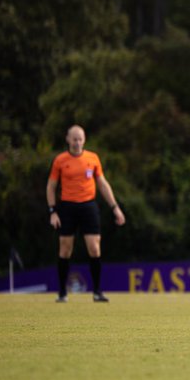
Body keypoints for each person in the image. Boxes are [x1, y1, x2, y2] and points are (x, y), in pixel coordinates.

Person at [46, 126, 125, 302]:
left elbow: (102, 184)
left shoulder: (93, 158)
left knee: (95, 247)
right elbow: (51, 186)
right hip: (67, 206)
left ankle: (97, 292)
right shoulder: (60, 160)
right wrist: (53, 211)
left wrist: (115, 207)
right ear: (67, 139)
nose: (77, 142)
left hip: (88, 206)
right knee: (65, 248)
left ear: (84, 139)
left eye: (80, 139)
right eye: (74, 139)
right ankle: (62, 293)